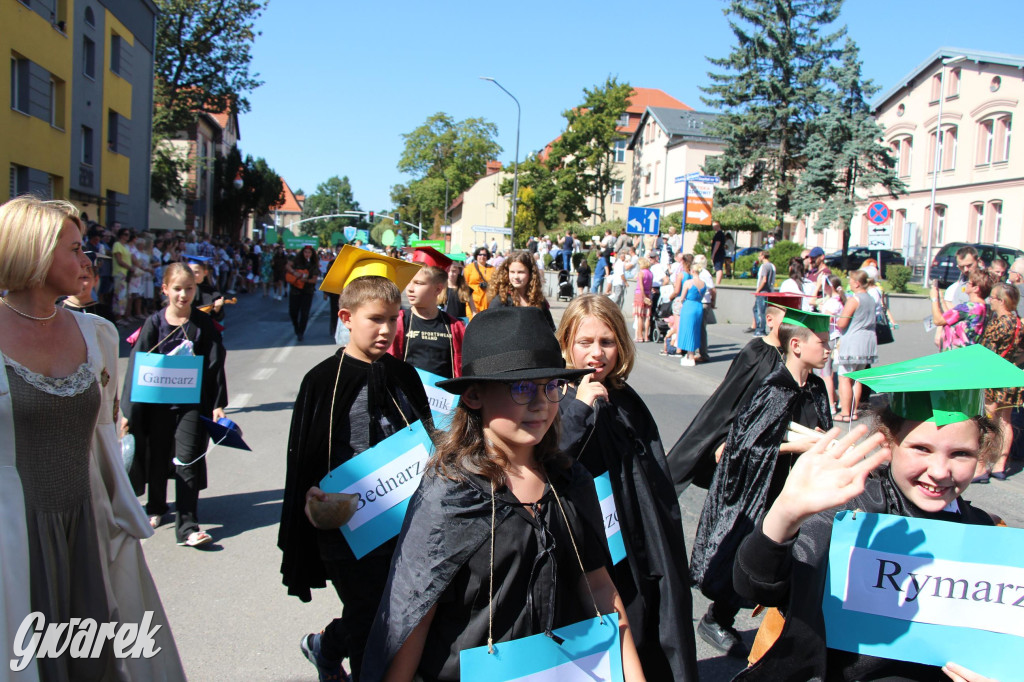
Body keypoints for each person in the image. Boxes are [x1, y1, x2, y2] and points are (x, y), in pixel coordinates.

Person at [362, 306, 646, 682]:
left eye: (551, 386)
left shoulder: (570, 481)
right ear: (475, 396)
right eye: (521, 387)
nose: (541, 402)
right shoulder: (450, 493)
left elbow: (597, 584)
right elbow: (414, 614)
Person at [732, 345, 1021, 681]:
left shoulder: (986, 533)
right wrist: (785, 514)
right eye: (921, 448)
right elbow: (757, 587)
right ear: (889, 443)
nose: (940, 471)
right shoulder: (851, 516)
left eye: (960, 454)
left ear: (982, 453)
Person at [0, 196, 186, 681]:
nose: (88, 261)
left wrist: (120, 512)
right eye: (75, 249)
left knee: (94, 660)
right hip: (13, 537)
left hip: (86, 527)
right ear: (33, 253)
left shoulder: (97, 335)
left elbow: (104, 437)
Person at [280, 252, 433, 682]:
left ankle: (325, 646)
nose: (387, 329)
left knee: (395, 609)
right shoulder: (322, 379)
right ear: (347, 317)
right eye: (376, 319)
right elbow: (306, 455)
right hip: (347, 524)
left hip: (402, 519)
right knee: (371, 615)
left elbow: (425, 438)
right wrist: (311, 493)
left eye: (394, 318)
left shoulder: (405, 375)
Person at [556, 295, 699, 680]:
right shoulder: (553, 395)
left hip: (634, 542)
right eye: (585, 342)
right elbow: (552, 461)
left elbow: (652, 478)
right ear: (567, 342)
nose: (596, 354)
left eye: (607, 342)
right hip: (585, 548)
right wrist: (578, 408)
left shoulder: (624, 398)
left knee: (645, 626)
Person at [690, 306, 833, 657]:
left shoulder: (816, 388)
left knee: (801, 563)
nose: (829, 349)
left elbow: (822, 430)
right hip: (763, 494)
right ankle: (717, 618)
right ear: (796, 345)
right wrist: (795, 445)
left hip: (800, 491)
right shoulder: (773, 388)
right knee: (750, 557)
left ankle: (784, 627)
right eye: (823, 342)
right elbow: (744, 446)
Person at [122, 263, 228, 547]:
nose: (183, 295)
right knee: (157, 458)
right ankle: (155, 507)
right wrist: (128, 413)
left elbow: (216, 364)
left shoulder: (203, 325)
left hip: (191, 405)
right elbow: (136, 367)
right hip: (157, 405)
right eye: (178, 289)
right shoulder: (154, 324)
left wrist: (218, 404)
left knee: (188, 460)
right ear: (165, 289)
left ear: (196, 289)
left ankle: (188, 526)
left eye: (189, 289)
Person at [666, 293, 802, 494]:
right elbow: (730, 400)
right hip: (748, 439)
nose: (793, 324)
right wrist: (727, 438)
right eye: (787, 317)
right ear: (770, 320)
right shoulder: (756, 352)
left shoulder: (797, 355)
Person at [389, 248, 466, 379]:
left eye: (418, 283)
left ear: (438, 289)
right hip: (408, 394)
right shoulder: (399, 321)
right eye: (409, 282)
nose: (410, 289)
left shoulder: (455, 326)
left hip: (443, 396)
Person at [979, 282, 1023, 481]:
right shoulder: (1020, 323)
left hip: (995, 377)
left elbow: (985, 352)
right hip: (1012, 376)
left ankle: (981, 467)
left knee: (988, 421)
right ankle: (1000, 465)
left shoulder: (998, 323)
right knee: (1006, 422)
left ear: (1002, 301)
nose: (990, 301)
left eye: (993, 298)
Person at [835, 270, 878, 422]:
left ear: (857, 283)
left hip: (853, 341)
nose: (849, 284)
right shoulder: (871, 299)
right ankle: (853, 411)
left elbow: (842, 323)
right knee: (857, 378)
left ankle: (845, 413)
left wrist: (834, 320)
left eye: (851, 281)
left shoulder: (854, 300)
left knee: (845, 377)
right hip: (867, 342)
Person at [488, 250, 556, 331]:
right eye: (512, 272)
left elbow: (550, 330)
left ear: (531, 274)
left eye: (521, 272)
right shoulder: (501, 301)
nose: (516, 276)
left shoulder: (539, 301)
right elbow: (490, 331)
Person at [931, 268, 992, 352]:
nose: (966, 284)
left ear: (976, 288)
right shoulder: (987, 309)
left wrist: (934, 299)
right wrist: (941, 299)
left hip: (955, 356)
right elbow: (950, 317)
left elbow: (938, 320)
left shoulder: (968, 308)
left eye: (969, 283)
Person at [675, 256, 707, 367]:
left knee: (687, 330)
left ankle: (690, 356)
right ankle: (690, 354)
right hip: (698, 306)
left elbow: (682, 297)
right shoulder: (703, 283)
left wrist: (680, 301)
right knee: (695, 330)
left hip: (689, 306)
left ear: (692, 270)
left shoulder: (688, 282)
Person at [287, 244, 320, 342]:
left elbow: (314, 280)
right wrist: (294, 273)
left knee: (304, 313)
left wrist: (304, 279)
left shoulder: (314, 264)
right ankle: (296, 327)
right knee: (293, 311)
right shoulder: (297, 261)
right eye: (305, 252)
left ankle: (301, 332)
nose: (307, 254)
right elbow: (287, 266)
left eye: (309, 252)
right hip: (295, 290)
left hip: (307, 291)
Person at [187, 256, 225, 322]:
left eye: (196, 272)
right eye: (189, 271)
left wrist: (217, 309)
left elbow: (219, 319)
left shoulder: (213, 294)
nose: (192, 275)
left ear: (205, 273)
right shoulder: (180, 291)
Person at [695, 254, 716, 361]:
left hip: (704, 302)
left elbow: (713, 289)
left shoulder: (705, 274)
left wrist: (713, 302)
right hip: (699, 302)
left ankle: (703, 354)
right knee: (698, 328)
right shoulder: (699, 273)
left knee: (701, 329)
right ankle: (699, 351)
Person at [464, 247, 493, 319]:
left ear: (487, 256)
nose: (482, 257)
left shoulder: (493, 269)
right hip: (473, 301)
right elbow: (465, 284)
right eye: (480, 255)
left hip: (487, 301)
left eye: (484, 255)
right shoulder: (469, 268)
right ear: (476, 256)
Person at [752, 250, 776, 336]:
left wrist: (758, 290)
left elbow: (764, 280)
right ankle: (760, 329)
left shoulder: (765, 266)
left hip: (762, 292)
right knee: (757, 309)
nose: (758, 258)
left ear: (763, 256)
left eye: (759, 256)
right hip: (768, 291)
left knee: (760, 311)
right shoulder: (772, 266)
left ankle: (760, 330)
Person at [632, 257, 653, 343]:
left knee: (640, 316)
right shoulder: (650, 273)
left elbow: (641, 285)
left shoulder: (641, 273)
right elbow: (651, 285)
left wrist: (643, 296)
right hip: (648, 293)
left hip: (640, 294)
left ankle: (640, 336)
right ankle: (646, 336)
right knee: (647, 316)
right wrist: (648, 296)